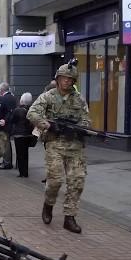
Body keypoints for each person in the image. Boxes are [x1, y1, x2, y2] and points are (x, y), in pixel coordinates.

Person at [27, 59, 89, 234]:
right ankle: (49, 204)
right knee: (55, 180)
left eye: (70, 79)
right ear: (58, 78)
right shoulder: (48, 96)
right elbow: (32, 112)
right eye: (64, 78)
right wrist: (46, 124)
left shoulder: (79, 99)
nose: (67, 81)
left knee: (77, 180)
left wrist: (81, 127)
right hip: (55, 143)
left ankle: (70, 217)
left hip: (75, 145)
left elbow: (86, 118)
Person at [10, 92, 34, 178]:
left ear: (22, 100)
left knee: (20, 154)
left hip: (19, 134)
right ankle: (26, 171)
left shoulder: (17, 110)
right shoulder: (31, 109)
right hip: (28, 134)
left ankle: (22, 172)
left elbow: (12, 120)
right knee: (25, 154)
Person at [0, 82, 17, 170]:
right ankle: (6, 161)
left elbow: (7, 112)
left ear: (1, 90)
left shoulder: (3, 98)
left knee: (6, 144)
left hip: (6, 124)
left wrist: (4, 120)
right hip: (12, 123)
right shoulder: (13, 97)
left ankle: (7, 162)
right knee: (7, 143)